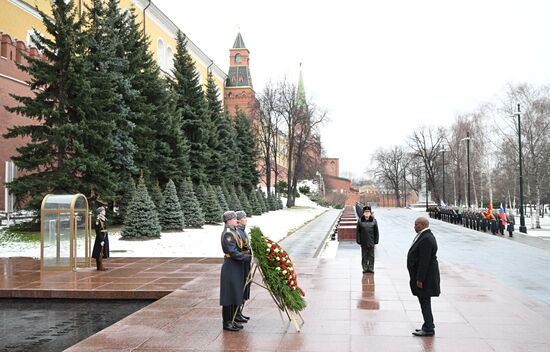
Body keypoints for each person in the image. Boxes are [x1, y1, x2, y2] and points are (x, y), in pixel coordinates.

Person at [408, 217, 440, 337]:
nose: (414, 226)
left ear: (422, 225)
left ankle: (429, 328)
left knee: (425, 302)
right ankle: (428, 325)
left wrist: (420, 279)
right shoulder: (424, 235)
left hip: (425, 278)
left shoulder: (426, 238)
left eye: (416, 224)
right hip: (425, 276)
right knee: (424, 301)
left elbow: (424, 262)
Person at [220, 211, 252, 332]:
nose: (236, 220)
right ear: (229, 220)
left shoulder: (234, 231)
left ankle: (232, 319)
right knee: (228, 296)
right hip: (230, 266)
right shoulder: (228, 234)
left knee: (234, 294)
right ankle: (227, 322)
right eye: (234, 219)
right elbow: (233, 252)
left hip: (235, 266)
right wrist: (247, 258)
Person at [236, 210, 251, 322]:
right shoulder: (238, 232)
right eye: (244, 217)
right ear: (239, 220)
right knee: (242, 287)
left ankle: (239, 312)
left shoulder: (243, 231)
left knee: (245, 287)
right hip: (242, 262)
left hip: (246, 262)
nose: (246, 219)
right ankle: (237, 313)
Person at [356, 206, 379, 273]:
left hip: (371, 241)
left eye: (368, 212)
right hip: (363, 242)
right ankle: (365, 268)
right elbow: (358, 232)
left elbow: (376, 232)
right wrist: (358, 240)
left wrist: (376, 241)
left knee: (371, 256)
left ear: (370, 213)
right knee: (364, 256)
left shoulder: (374, 221)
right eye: (365, 212)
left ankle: (371, 268)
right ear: (363, 213)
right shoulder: (360, 221)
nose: (367, 213)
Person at [91, 206, 109, 271]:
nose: (105, 212)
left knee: (103, 252)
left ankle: (101, 266)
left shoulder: (104, 219)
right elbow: (98, 231)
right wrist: (101, 240)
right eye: (103, 211)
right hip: (100, 237)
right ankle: (99, 267)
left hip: (105, 236)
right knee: (99, 252)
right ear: (100, 212)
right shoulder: (97, 220)